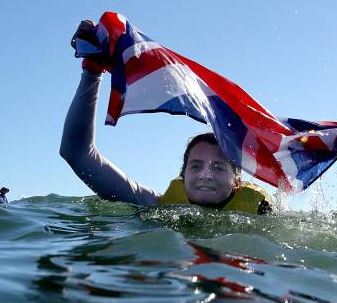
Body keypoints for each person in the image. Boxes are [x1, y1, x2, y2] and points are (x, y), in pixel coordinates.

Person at [60, 21, 271, 214]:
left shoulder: (263, 215)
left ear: (237, 181)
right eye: (196, 166)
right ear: (184, 175)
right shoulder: (160, 206)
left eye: (219, 167)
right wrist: (91, 73)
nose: (206, 175)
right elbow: (77, 154)